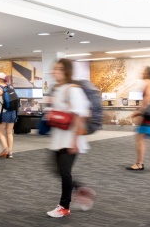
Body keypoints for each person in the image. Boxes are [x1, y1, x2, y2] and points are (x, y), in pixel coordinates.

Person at [46, 58, 94, 218]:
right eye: (55, 68)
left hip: (71, 137)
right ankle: (80, 189)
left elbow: (81, 115)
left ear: (66, 71)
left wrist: (74, 141)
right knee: (56, 169)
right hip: (59, 136)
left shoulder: (74, 89)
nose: (55, 71)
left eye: (59, 69)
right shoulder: (58, 88)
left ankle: (64, 206)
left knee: (65, 172)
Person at [0, 72, 16, 158]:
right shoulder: (11, 87)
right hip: (12, 112)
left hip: (2, 113)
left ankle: (5, 148)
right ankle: (10, 152)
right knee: (9, 132)